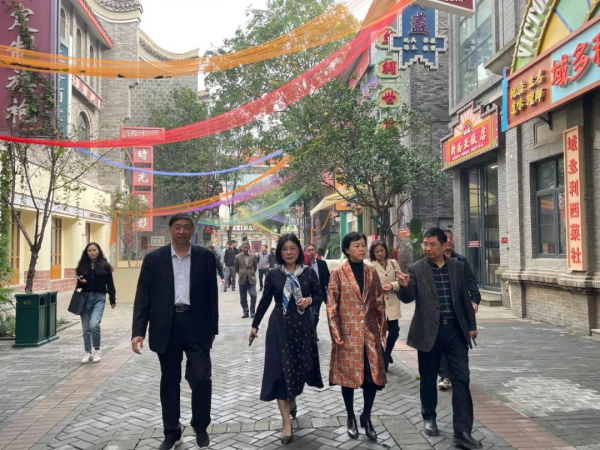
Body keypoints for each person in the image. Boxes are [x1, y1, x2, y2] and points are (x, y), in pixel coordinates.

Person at [131, 213, 219, 450]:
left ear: (192, 230)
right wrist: (138, 330)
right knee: (170, 381)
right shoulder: (154, 259)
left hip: (197, 325)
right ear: (170, 229)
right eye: (178, 227)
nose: (182, 231)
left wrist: (213, 327)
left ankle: (200, 426)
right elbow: (143, 297)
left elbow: (212, 294)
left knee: (201, 378)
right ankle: (172, 432)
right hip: (166, 325)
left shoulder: (205, 257)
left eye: (186, 227)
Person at [396, 227, 481, 450]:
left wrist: (471, 326)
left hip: (455, 331)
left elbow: (465, 298)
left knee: (461, 379)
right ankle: (429, 415)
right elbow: (408, 297)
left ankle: (462, 432)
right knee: (428, 377)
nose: (427, 248)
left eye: (432, 244)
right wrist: (404, 287)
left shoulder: (457, 267)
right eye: (425, 244)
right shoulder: (416, 269)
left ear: (444, 246)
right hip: (428, 332)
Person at [249, 234, 323, 445]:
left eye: (292, 248)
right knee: (280, 371)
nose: (289, 252)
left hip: (302, 327)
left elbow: (319, 296)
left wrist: (309, 300)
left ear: (298, 250)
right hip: (279, 327)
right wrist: (255, 325)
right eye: (284, 249)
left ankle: (292, 400)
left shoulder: (308, 273)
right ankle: (286, 424)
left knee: (297, 368)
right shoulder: (274, 274)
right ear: (279, 252)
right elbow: (265, 301)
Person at [327, 232, 386, 441]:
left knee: (372, 378)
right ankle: (350, 416)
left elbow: (379, 301)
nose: (361, 249)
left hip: (369, 334)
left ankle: (366, 416)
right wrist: (335, 332)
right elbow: (332, 305)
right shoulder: (338, 273)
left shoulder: (371, 272)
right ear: (347, 249)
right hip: (347, 335)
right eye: (357, 245)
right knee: (348, 379)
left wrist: (382, 329)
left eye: (363, 245)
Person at [439, 229, 481, 391]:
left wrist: (475, 299)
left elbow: (471, 281)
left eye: (451, 237)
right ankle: (445, 375)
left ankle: (459, 375)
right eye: (446, 238)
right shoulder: (432, 263)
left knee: (459, 343)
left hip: (460, 311)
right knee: (442, 344)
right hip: (442, 311)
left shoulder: (461, 260)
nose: (449, 240)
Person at [76, 242, 116, 364]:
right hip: (85, 298)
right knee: (86, 328)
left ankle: (97, 350)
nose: (92, 252)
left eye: (94, 250)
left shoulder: (105, 266)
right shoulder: (82, 266)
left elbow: (110, 283)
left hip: (99, 298)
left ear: (98, 251)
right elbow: (78, 285)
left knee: (94, 325)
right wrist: (81, 282)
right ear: (86, 252)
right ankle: (88, 352)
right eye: (89, 250)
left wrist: (112, 299)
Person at [365, 240, 401, 372]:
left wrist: (392, 285)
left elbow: (400, 280)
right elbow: (366, 284)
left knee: (394, 330)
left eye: (382, 250)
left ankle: (387, 353)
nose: (380, 254)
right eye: (377, 252)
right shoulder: (369, 265)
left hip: (392, 301)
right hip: (376, 303)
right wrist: (378, 288)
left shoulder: (393, 263)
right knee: (378, 332)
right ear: (373, 253)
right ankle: (382, 358)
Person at [304, 243, 330, 337]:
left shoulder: (322, 263)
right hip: (306, 294)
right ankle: (310, 332)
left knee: (315, 314)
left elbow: (328, 278)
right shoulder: (302, 264)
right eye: (309, 250)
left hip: (319, 294)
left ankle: (313, 331)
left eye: (313, 250)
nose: (311, 252)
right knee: (308, 314)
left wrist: (329, 290)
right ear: (305, 252)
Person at [235, 242, 259, 318]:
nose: (246, 249)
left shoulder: (253, 256)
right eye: (244, 247)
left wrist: (251, 273)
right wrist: (242, 273)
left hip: (251, 278)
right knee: (243, 297)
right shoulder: (237, 257)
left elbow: (255, 267)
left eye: (247, 248)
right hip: (242, 279)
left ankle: (252, 312)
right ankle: (245, 312)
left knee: (253, 295)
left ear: (249, 247)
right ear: (242, 247)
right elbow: (236, 268)